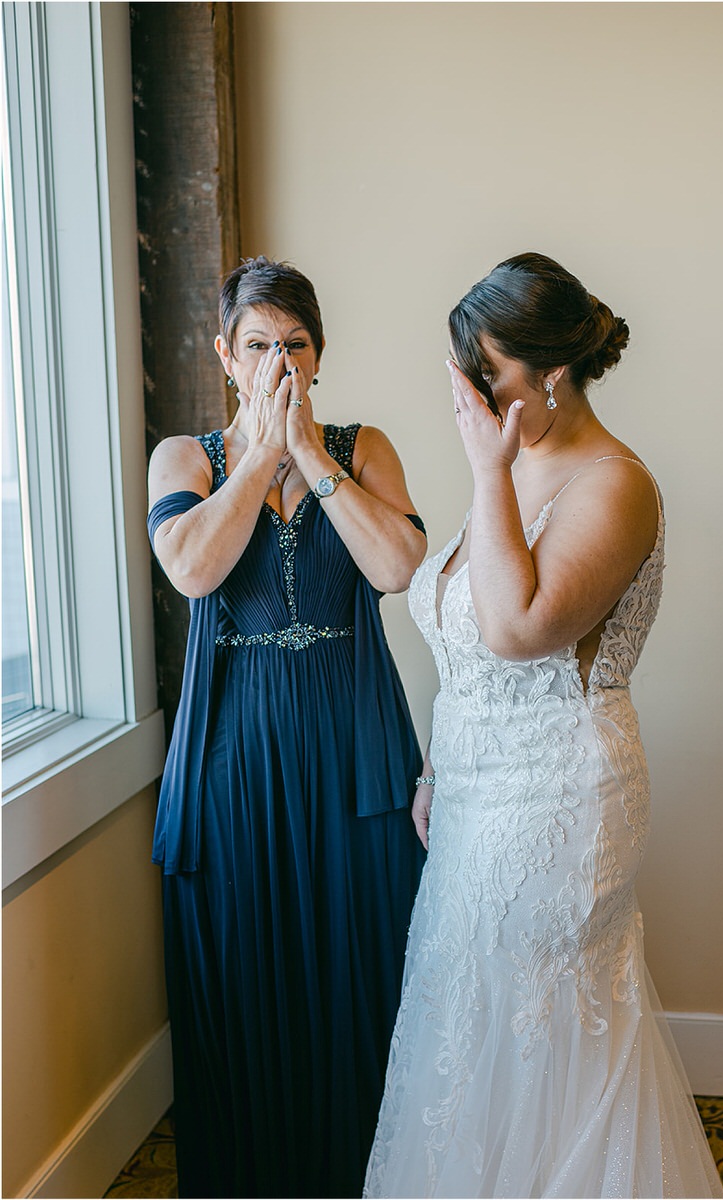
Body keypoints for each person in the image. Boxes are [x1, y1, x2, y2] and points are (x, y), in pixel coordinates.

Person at [364, 252, 723, 1199]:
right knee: (465, 1023)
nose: (475, 396)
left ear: (548, 373)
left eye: (488, 372)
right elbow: (462, 647)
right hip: (474, 800)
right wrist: (442, 767)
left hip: (562, 801)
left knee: (543, 1028)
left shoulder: (615, 485)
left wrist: (484, 468)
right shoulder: (512, 470)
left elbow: (518, 630)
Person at [146, 256, 427, 1199]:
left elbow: (396, 570)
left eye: (294, 345)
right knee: (246, 978)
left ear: (318, 355)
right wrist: (261, 452)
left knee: (368, 972)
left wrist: (308, 452)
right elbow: (190, 568)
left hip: (354, 748)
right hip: (237, 758)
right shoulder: (185, 458)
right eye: (257, 345)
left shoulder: (366, 447)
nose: (277, 362)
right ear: (227, 355)